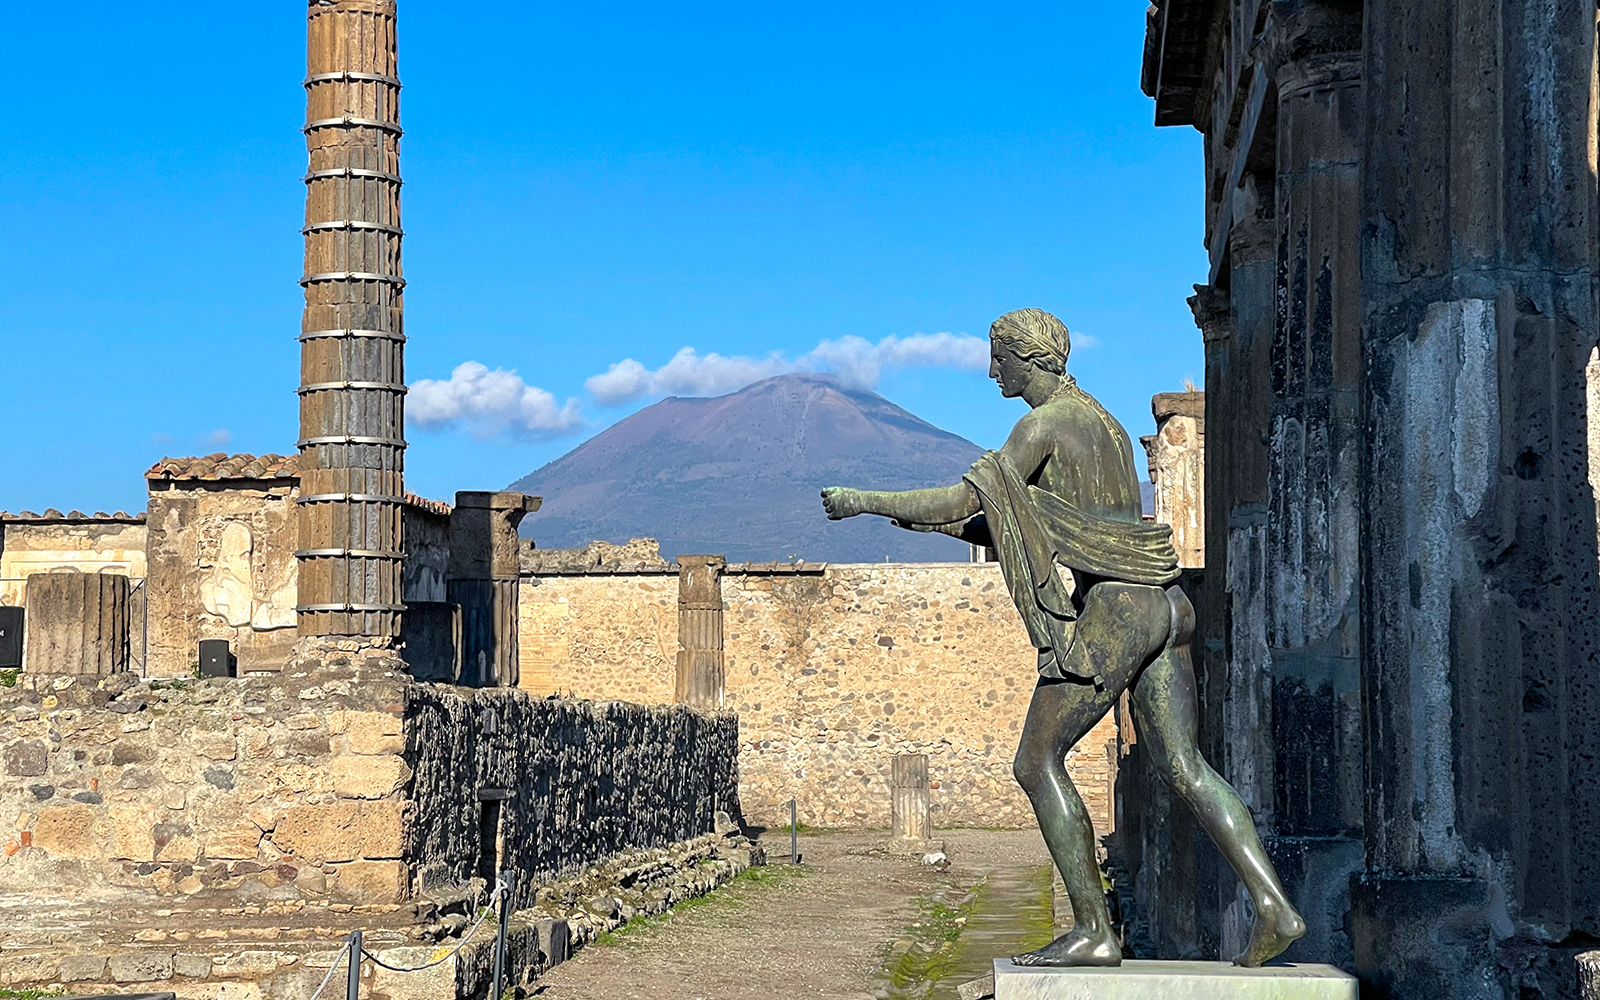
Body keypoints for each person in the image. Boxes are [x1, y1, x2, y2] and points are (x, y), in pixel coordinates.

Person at [820, 308, 1304, 967]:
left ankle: (1094, 931)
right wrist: (933, 523)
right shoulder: (1099, 420)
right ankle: (1274, 905)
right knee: (1185, 767)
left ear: (1032, 358)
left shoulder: (1043, 424)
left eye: (1001, 357)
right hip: (1166, 602)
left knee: (1036, 761)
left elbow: (963, 504)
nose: (993, 370)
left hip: (1116, 609)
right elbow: (1004, 521)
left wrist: (865, 502)